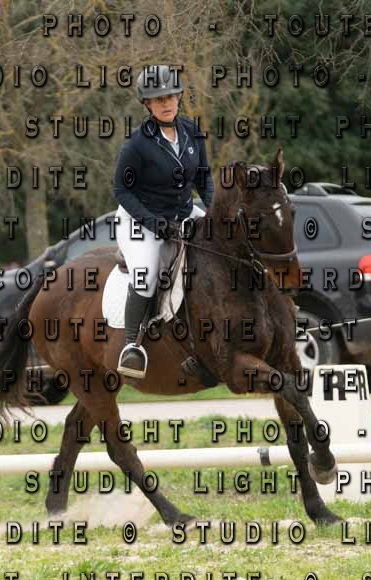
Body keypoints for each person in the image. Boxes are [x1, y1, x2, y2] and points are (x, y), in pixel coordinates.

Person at [112, 64, 214, 379]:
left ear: (179, 96)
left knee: (224, 244)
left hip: (183, 214)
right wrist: (154, 223)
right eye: (159, 99)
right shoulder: (137, 144)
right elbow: (121, 190)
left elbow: (204, 178)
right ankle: (131, 347)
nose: (166, 103)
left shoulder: (192, 131)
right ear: (147, 104)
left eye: (170, 96)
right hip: (140, 219)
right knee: (145, 274)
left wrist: (214, 212)